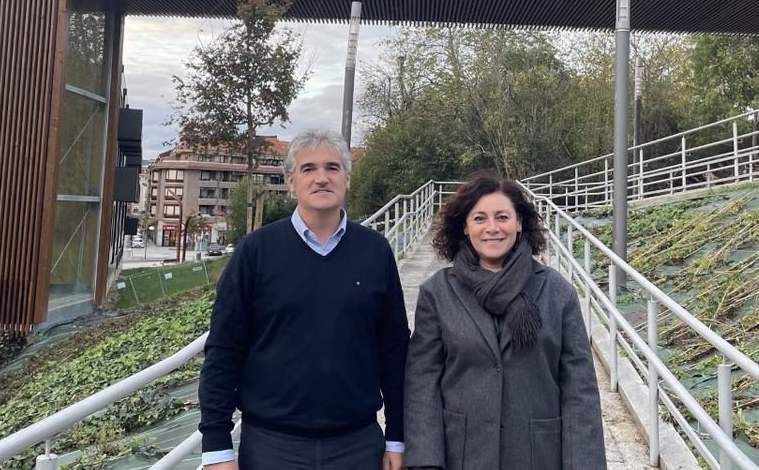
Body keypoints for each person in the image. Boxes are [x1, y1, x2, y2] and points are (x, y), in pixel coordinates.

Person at [199, 128, 410, 470]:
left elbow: (395, 350)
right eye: (308, 169)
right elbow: (224, 349)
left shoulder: (375, 251)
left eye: (332, 167)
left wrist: (397, 437)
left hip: (357, 447)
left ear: (347, 179)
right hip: (271, 448)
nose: (321, 178)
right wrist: (216, 447)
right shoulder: (256, 251)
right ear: (291, 181)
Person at [404, 172, 607, 470]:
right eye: (479, 218)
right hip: (461, 456)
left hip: (537, 456)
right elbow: (422, 383)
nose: (492, 228)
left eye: (502, 217)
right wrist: (424, 462)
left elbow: (580, 389)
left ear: (520, 223)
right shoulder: (437, 293)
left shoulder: (557, 292)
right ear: (465, 226)